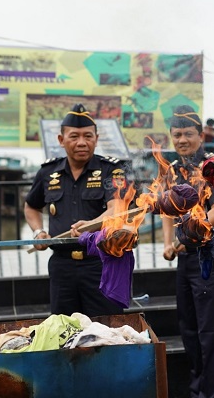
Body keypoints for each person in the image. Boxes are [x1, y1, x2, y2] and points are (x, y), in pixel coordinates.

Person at [24, 103, 127, 319]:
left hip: (101, 263)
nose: (82, 142)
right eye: (74, 136)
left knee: (106, 328)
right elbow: (31, 206)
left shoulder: (112, 170)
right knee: (64, 331)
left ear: (96, 139)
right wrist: (38, 232)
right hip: (62, 267)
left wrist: (91, 226)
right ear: (61, 140)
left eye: (88, 136)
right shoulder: (47, 172)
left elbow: (117, 208)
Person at [162, 105, 214, 398]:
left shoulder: (212, 166)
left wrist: (187, 235)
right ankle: (197, 391)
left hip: (209, 258)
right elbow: (166, 209)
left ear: (200, 135)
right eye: (177, 134)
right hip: (185, 257)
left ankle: (213, 394)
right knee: (189, 330)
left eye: (188, 134)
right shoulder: (172, 169)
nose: (182, 140)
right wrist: (169, 242)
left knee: (210, 332)